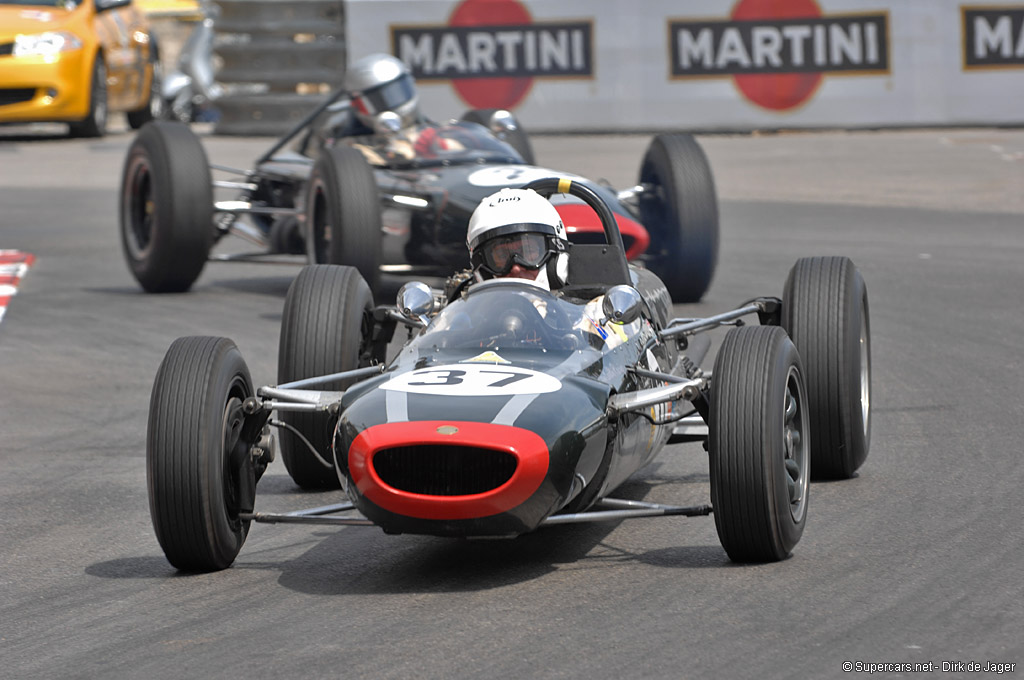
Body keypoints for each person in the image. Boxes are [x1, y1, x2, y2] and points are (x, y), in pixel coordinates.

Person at [465, 187, 570, 291]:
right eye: (502, 255)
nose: (516, 269)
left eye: (528, 250)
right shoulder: (464, 306)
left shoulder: (584, 305)